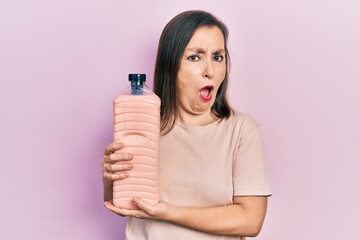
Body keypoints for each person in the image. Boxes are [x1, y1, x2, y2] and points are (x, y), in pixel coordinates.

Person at [102, 10, 271, 240]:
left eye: (217, 57)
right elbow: (128, 206)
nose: (209, 71)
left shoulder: (242, 130)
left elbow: (250, 221)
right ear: (171, 66)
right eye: (195, 57)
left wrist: (168, 212)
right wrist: (111, 180)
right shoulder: (143, 127)